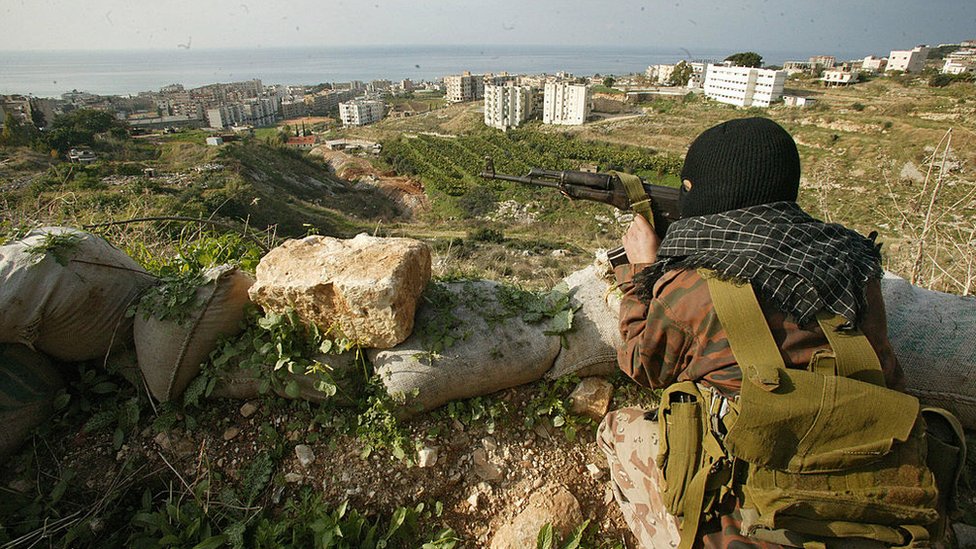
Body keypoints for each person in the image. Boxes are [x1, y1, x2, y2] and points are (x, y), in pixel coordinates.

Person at [597, 117, 919, 548]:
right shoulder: (855, 263)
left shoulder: (691, 287)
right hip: (878, 503)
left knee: (617, 430)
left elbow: (643, 365)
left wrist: (639, 272)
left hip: (759, 520)